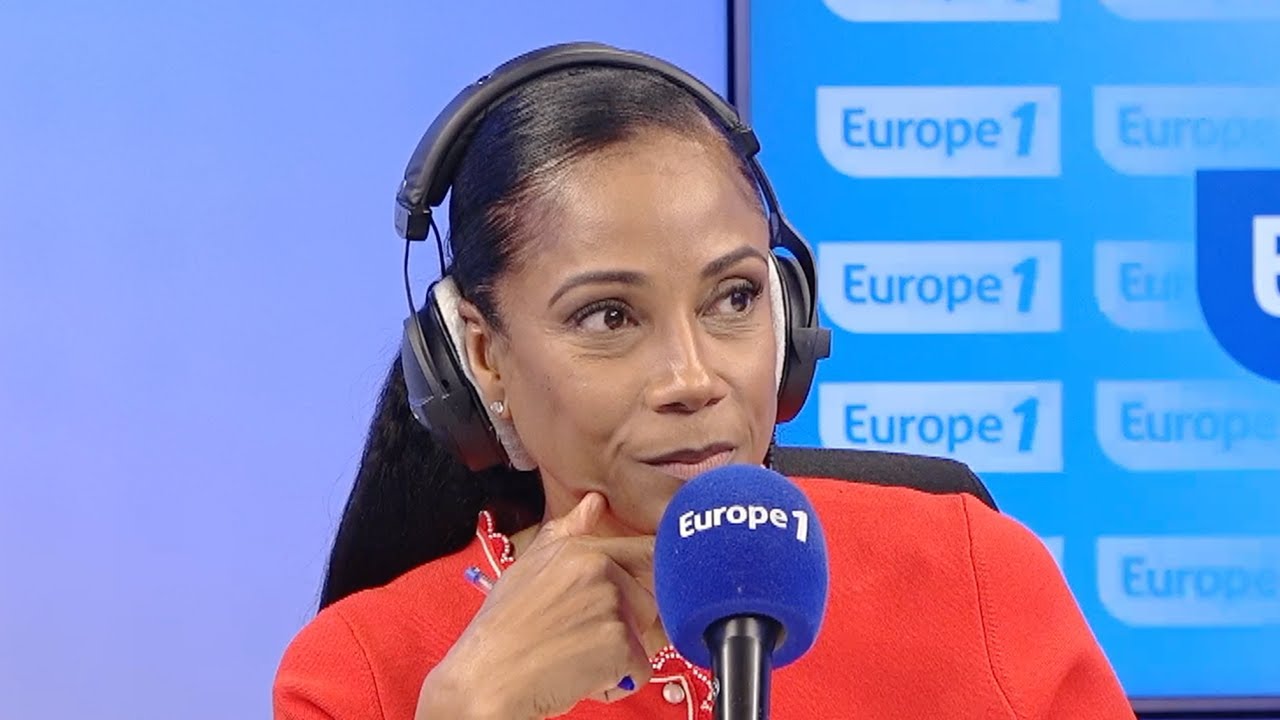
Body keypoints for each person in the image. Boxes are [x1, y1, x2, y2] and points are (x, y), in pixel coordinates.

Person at [273, 43, 1135, 720]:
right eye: (608, 316)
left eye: (733, 297)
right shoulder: (361, 674)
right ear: (483, 357)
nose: (693, 378)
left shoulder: (974, 576)